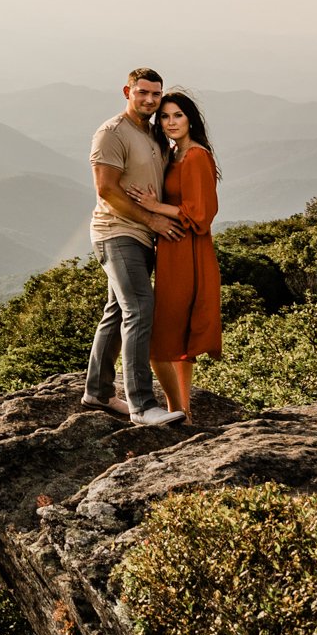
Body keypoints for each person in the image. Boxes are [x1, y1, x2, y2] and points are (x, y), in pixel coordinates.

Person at [81, 67, 185, 426]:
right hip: (116, 232)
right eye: (142, 92)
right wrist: (152, 219)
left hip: (142, 236)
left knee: (117, 310)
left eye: (156, 94)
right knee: (140, 308)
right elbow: (106, 190)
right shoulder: (111, 133)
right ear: (127, 91)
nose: (150, 100)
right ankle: (141, 405)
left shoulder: (154, 134)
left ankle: (97, 391)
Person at [132, 89, 223, 422]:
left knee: (164, 335)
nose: (171, 122)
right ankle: (183, 410)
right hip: (172, 247)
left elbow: (201, 213)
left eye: (178, 115)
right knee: (177, 333)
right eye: (165, 116)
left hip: (189, 250)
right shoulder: (174, 153)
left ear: (190, 119)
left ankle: (175, 409)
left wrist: (156, 207)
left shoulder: (196, 156)